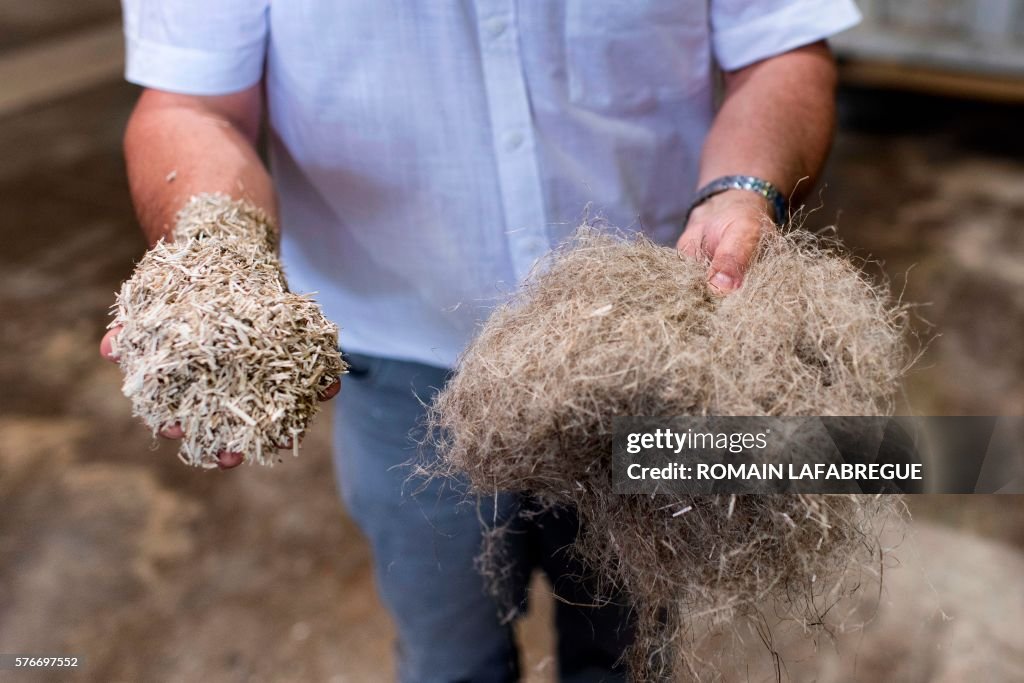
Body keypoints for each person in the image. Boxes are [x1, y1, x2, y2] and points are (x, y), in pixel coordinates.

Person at [101, 2, 861, 680]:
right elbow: (193, 106)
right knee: (449, 657)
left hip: (654, 355)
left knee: (627, 651)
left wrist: (745, 191)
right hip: (405, 362)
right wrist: (219, 254)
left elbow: (780, 50)